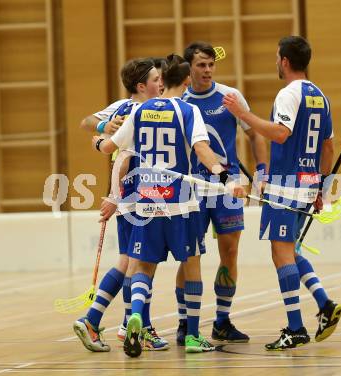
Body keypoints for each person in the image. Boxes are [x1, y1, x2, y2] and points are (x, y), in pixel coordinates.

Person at [93, 54, 246, 357]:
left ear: (162, 81)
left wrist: (99, 139)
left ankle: (136, 315)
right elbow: (202, 150)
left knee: (144, 266)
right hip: (180, 204)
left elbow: (111, 148)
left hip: (146, 203)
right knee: (191, 264)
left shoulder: (141, 110)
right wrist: (227, 178)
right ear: (187, 80)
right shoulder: (188, 110)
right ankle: (191, 336)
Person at [222, 35, 341, 350]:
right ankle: (324, 303)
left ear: (285, 61)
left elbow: (280, 133)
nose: (276, 63)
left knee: (281, 254)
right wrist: (322, 186)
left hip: (285, 185)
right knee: (292, 250)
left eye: (277, 58)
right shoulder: (321, 96)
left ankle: (295, 327)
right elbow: (328, 146)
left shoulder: (289, 94)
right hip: (306, 183)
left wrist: (242, 114)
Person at [173, 41, 267, 345]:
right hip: (192, 188)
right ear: (188, 70)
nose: (208, 70)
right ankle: (185, 323)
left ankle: (222, 321)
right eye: (201, 65)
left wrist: (262, 173)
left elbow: (255, 134)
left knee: (230, 251)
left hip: (228, 188)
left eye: (211, 64)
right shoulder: (179, 101)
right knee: (189, 256)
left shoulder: (230, 97)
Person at [73, 58, 169, 352]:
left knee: (128, 261)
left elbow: (91, 128)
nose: (161, 83)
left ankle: (94, 319)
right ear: (141, 86)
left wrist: (102, 131)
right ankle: (137, 326)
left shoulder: (126, 107)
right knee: (143, 263)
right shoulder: (141, 111)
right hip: (142, 194)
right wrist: (105, 127)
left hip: (127, 193)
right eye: (155, 79)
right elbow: (90, 126)